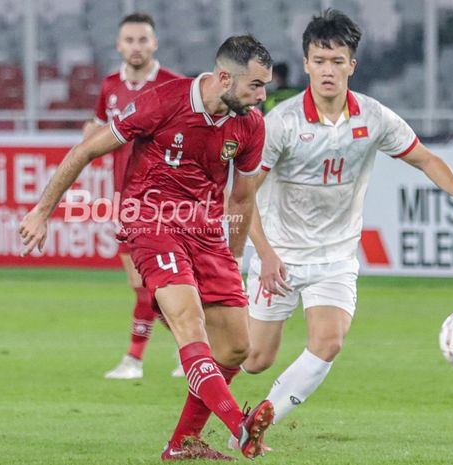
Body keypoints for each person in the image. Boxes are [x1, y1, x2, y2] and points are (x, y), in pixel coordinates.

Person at [20, 35, 275, 460]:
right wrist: (42, 211)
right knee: (189, 324)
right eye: (255, 86)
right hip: (152, 225)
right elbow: (87, 148)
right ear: (225, 77)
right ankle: (240, 424)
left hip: (209, 234)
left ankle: (181, 446)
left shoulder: (250, 123)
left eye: (265, 86)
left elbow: (243, 198)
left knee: (236, 347)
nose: (262, 96)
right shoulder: (164, 101)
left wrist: (232, 256)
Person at [240, 9, 453, 426]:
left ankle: (259, 421)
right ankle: (198, 337)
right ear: (306, 64)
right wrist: (263, 254)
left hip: (335, 258)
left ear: (352, 65)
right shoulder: (280, 123)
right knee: (253, 360)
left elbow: (424, 157)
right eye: (319, 61)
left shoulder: (373, 117)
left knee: (329, 341)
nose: (328, 71)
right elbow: (243, 195)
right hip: (278, 256)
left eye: (337, 61)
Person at [82, 12, 183, 380]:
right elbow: (99, 136)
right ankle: (189, 350)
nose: (136, 47)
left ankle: (135, 359)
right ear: (118, 45)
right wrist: (90, 133)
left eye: (143, 40)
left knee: (157, 284)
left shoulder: (173, 85)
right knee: (143, 285)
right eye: (130, 40)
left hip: (165, 201)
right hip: (125, 201)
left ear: (155, 43)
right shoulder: (110, 87)